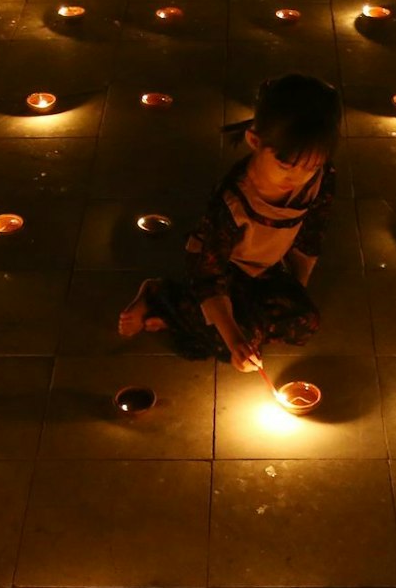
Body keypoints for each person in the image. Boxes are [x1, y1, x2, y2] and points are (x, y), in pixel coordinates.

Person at [119, 73, 340, 372]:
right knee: (232, 340)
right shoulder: (233, 202)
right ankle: (160, 294)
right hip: (221, 270)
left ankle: (221, 318)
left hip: (265, 270)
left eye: (311, 166)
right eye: (285, 165)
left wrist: (294, 289)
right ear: (255, 141)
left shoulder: (321, 179)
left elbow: (311, 234)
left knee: (304, 322)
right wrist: (235, 339)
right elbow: (208, 275)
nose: (297, 177)